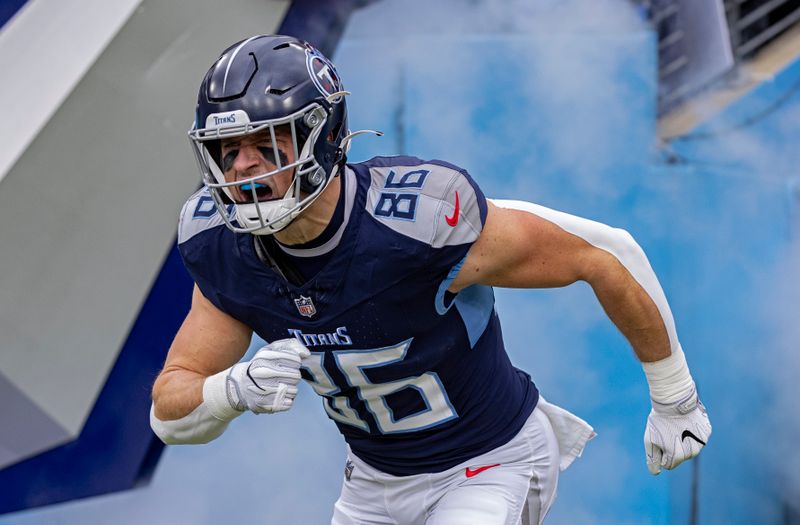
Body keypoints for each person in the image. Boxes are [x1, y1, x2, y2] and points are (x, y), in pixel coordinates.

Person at [150, 34, 711, 524]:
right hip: (371, 481)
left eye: (267, 144)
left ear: (320, 136)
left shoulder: (414, 223)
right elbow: (168, 414)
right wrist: (230, 391)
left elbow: (605, 253)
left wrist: (675, 398)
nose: (244, 167)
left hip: (489, 463)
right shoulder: (222, 249)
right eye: (227, 150)